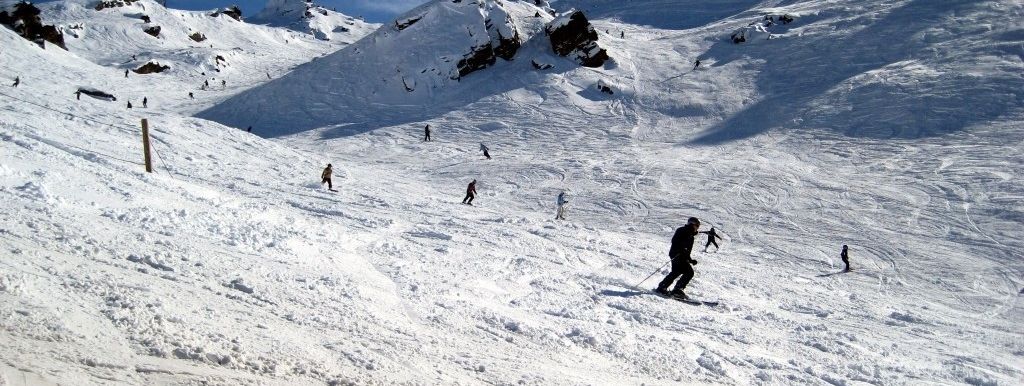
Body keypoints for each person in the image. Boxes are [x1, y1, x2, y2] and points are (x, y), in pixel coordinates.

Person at [655, 217, 701, 299]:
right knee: (689, 272)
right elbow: (674, 241)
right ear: (692, 224)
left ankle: (662, 287)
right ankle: (677, 290)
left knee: (676, 272)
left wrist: (690, 260)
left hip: (681, 256)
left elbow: (687, 251)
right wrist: (680, 249)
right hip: (677, 254)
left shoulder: (691, 236)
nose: (697, 228)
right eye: (697, 226)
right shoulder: (682, 230)